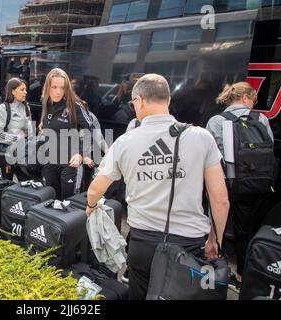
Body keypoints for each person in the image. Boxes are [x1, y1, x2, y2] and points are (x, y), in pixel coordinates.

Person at [85, 74, 229, 300]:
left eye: (133, 104)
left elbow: (96, 188)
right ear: (168, 101)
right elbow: (220, 199)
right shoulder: (202, 137)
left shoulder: (125, 142)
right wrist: (214, 240)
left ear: (139, 101)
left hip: (143, 243)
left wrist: (91, 205)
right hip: (189, 245)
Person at [206, 82, 274, 289]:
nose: (254, 104)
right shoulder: (261, 119)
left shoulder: (216, 121)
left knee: (216, 227)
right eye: (253, 100)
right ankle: (241, 276)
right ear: (245, 97)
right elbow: (269, 147)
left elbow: (208, 155)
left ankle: (213, 271)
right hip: (253, 185)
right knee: (245, 231)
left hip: (223, 183)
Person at [39, 68, 93, 200]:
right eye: (54, 87)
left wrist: (80, 153)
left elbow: (90, 130)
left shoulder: (75, 106)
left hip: (70, 164)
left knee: (68, 204)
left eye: (62, 88)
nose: (58, 92)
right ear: (48, 87)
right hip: (49, 161)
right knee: (50, 201)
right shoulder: (46, 103)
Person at [0, 78, 32, 181]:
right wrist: (16, 137)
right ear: (12, 91)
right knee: (3, 185)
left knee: (26, 184)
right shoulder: (2, 108)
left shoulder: (26, 107)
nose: (25, 92)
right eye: (22, 90)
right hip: (4, 156)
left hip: (21, 154)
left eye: (26, 90)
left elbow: (29, 132)